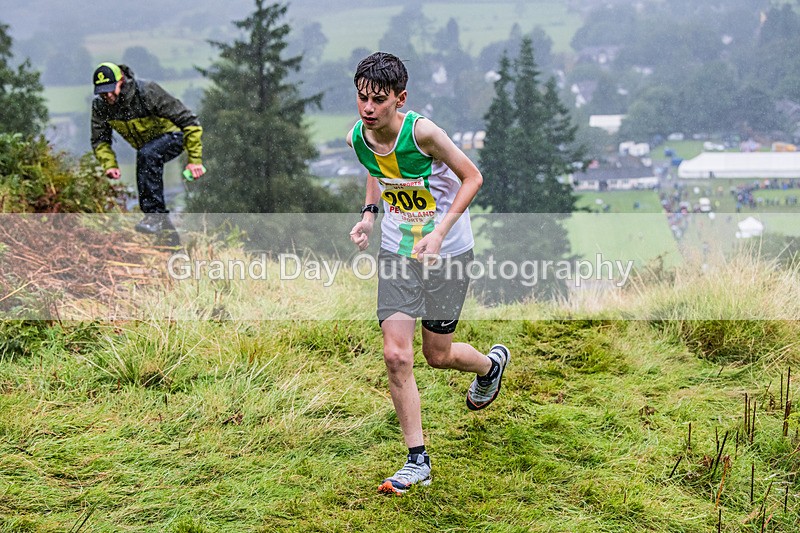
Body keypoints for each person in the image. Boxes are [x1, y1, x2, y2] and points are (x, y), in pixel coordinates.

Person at [347, 52, 510, 495]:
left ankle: (490, 365)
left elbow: (473, 178)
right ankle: (417, 460)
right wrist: (368, 215)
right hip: (398, 249)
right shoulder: (357, 136)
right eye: (362, 97)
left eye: (378, 100)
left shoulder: (424, 134)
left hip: (447, 250)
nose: (367, 108)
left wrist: (440, 232)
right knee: (396, 355)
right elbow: (375, 168)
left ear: (400, 99)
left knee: (437, 355)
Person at [90, 62, 205, 242]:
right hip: (148, 149)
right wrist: (109, 164)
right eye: (103, 92)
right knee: (146, 166)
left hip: (176, 134)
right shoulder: (101, 107)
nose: (108, 95)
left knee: (147, 154)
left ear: (121, 80)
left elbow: (189, 121)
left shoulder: (146, 92)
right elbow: (100, 140)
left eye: (111, 89)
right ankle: (168, 240)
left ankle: (154, 217)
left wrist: (194, 160)